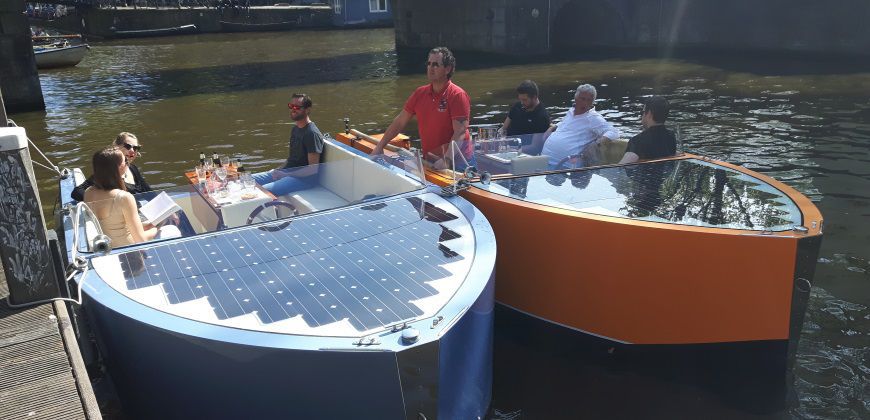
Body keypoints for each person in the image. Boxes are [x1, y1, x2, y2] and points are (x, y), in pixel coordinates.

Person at [372, 47, 474, 170]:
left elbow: (460, 132)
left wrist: (447, 160)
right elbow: (399, 122)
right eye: (429, 63)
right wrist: (380, 146)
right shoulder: (420, 93)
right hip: (431, 161)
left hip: (458, 163)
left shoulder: (457, 95)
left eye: (435, 64)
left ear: (448, 69)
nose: (431, 68)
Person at [83, 147, 179, 247]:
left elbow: (114, 225)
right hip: (129, 250)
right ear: (119, 167)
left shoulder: (88, 192)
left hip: (108, 247)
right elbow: (140, 240)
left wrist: (150, 225)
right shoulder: (123, 197)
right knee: (172, 229)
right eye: (125, 161)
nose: (128, 163)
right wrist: (157, 228)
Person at [252, 93, 324, 196]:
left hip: (304, 180)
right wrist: (278, 170)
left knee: (261, 192)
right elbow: (292, 159)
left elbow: (313, 169)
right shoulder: (295, 129)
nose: (293, 109)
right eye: (291, 106)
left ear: (307, 110)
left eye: (297, 107)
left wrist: (286, 174)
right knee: (247, 180)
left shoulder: (311, 133)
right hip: (288, 173)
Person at [533, 84, 620, 168]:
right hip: (544, 161)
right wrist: (552, 127)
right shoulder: (571, 111)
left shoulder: (593, 117)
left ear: (592, 102)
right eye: (582, 99)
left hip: (565, 167)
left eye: (589, 100)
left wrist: (596, 144)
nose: (585, 103)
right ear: (576, 98)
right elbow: (565, 124)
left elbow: (614, 132)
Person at [72, 132, 151, 201]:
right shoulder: (108, 171)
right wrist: (107, 200)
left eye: (136, 148)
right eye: (128, 146)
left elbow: (149, 192)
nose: (132, 151)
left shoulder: (133, 168)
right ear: (116, 147)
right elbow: (77, 192)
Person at [619, 96, 677, 164]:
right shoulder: (671, 137)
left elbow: (622, 167)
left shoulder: (637, 141)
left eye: (643, 111)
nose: (642, 115)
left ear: (649, 113)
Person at [501, 80, 551, 146]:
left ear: (534, 97)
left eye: (524, 100)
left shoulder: (541, 117)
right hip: (505, 146)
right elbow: (503, 129)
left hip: (520, 150)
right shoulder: (517, 106)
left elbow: (534, 147)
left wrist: (510, 149)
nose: (521, 103)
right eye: (520, 99)